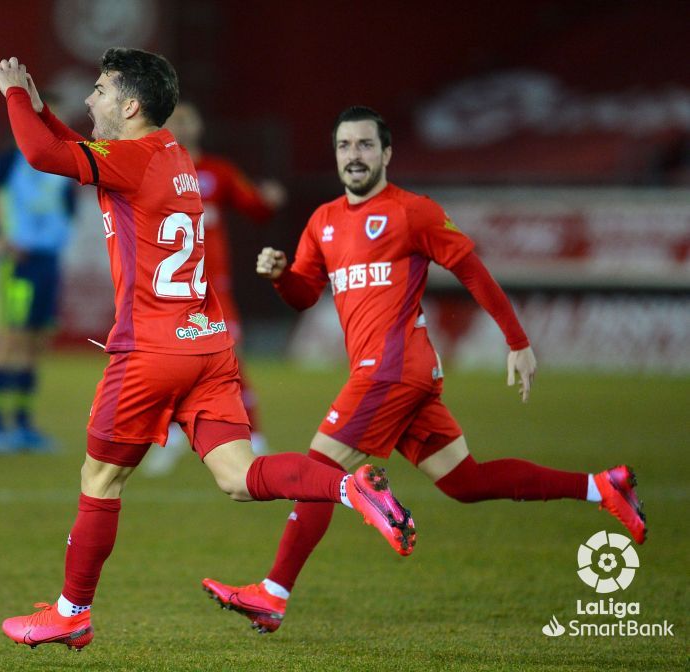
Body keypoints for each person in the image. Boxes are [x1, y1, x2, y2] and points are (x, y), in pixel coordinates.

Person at [0, 52, 417, 650]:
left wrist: (12, 95)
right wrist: (39, 108)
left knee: (101, 477)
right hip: (206, 346)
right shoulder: (172, 156)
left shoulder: (134, 161)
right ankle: (349, 487)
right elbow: (72, 150)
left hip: (150, 351)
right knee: (239, 477)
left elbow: (40, 155)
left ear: (130, 106)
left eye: (100, 89)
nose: (89, 100)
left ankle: (71, 612)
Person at [201, 106, 647, 635]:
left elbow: (470, 270)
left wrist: (518, 341)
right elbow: (304, 294)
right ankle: (603, 486)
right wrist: (281, 276)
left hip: (389, 370)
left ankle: (273, 594)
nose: (354, 156)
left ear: (387, 153)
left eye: (366, 145)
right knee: (465, 481)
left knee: (319, 471)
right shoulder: (323, 221)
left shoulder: (413, 212)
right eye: (345, 146)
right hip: (403, 376)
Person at [142, 102, 285, 475]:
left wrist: (267, 200)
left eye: (188, 119)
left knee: (230, 359)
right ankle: (171, 435)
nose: (182, 127)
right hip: (171, 289)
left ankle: (253, 436)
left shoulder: (217, 173)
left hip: (213, 287)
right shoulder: (152, 168)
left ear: (199, 125)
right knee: (168, 361)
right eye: (175, 121)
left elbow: (255, 206)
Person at [0, 120, 76, 454]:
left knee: (36, 343)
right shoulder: (8, 161)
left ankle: (24, 426)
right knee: (11, 339)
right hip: (19, 264)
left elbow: (68, 204)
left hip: (49, 263)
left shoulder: (61, 163)